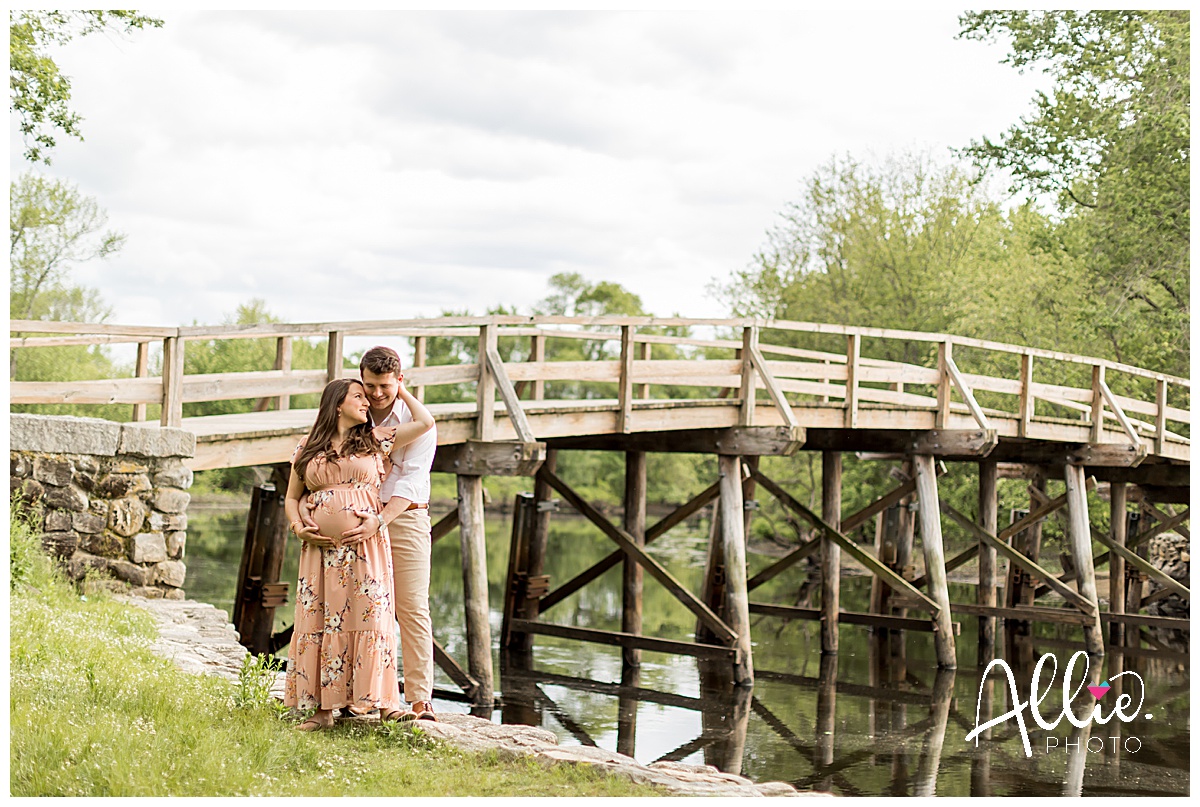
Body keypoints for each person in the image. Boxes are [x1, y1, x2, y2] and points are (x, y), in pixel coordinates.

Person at [283, 377, 435, 731]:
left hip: (366, 543)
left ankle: (384, 705)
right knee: (320, 621)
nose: (368, 402)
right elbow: (292, 497)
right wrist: (298, 525)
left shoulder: (374, 440)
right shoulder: (306, 447)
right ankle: (321, 712)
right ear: (338, 404)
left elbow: (426, 422)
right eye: (359, 396)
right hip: (320, 552)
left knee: (371, 616)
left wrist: (401, 388)